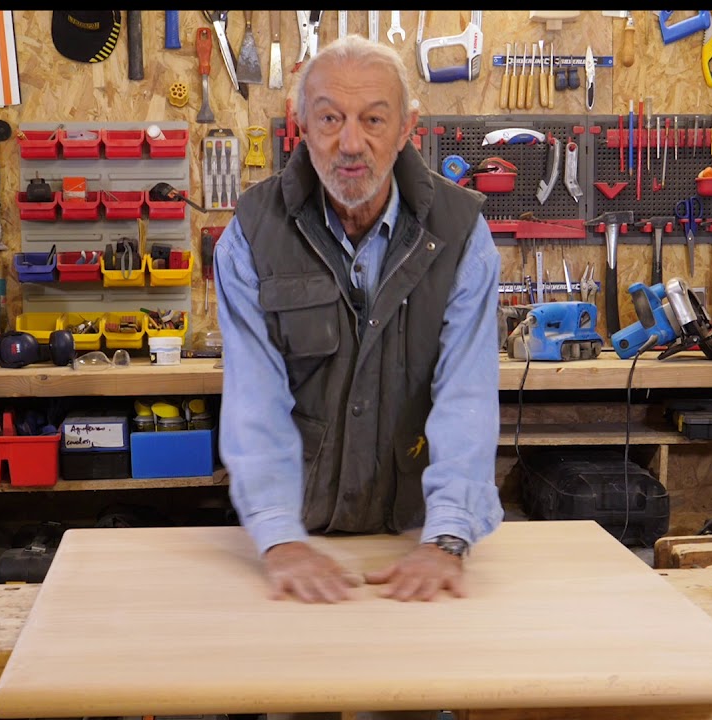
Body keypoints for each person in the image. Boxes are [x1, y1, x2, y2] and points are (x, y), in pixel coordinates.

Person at [214, 35, 503, 605]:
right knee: (295, 693)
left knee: (417, 691)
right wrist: (278, 537)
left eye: (373, 119)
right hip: (296, 538)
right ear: (300, 124)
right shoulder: (250, 236)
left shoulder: (462, 235)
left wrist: (446, 538)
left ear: (406, 129)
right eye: (329, 118)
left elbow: (466, 398)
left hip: (414, 535)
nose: (350, 143)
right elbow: (254, 400)